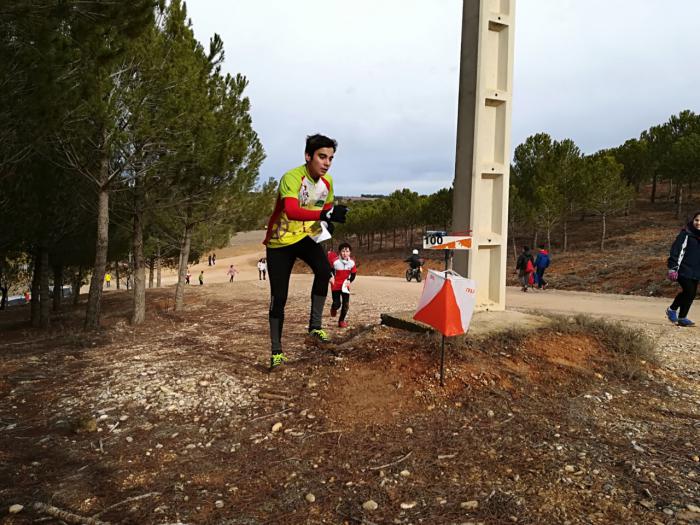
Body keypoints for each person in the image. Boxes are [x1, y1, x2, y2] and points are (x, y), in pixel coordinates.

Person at [263, 133, 349, 369]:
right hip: (279, 242)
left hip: (304, 237)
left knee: (324, 271)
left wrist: (328, 219)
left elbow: (327, 205)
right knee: (279, 297)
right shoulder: (291, 178)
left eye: (331, 158)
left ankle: (314, 327)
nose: (327, 163)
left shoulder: (327, 182)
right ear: (308, 156)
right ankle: (276, 352)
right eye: (322, 157)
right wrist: (323, 214)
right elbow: (291, 210)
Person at [666, 211, 700, 327]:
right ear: (693, 220)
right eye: (696, 220)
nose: (698, 223)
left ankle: (682, 318)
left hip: (696, 270)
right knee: (689, 291)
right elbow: (676, 250)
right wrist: (673, 268)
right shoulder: (686, 234)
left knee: (691, 294)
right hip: (682, 269)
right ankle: (672, 309)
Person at [329, 242, 357, 328]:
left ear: (350, 252)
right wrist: (330, 277)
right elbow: (329, 270)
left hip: (345, 285)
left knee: (346, 305)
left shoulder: (352, 263)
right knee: (337, 304)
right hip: (335, 285)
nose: (345, 253)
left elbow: (353, 274)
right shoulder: (335, 262)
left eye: (347, 251)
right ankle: (334, 308)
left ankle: (341, 321)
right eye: (343, 251)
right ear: (340, 252)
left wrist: (349, 280)